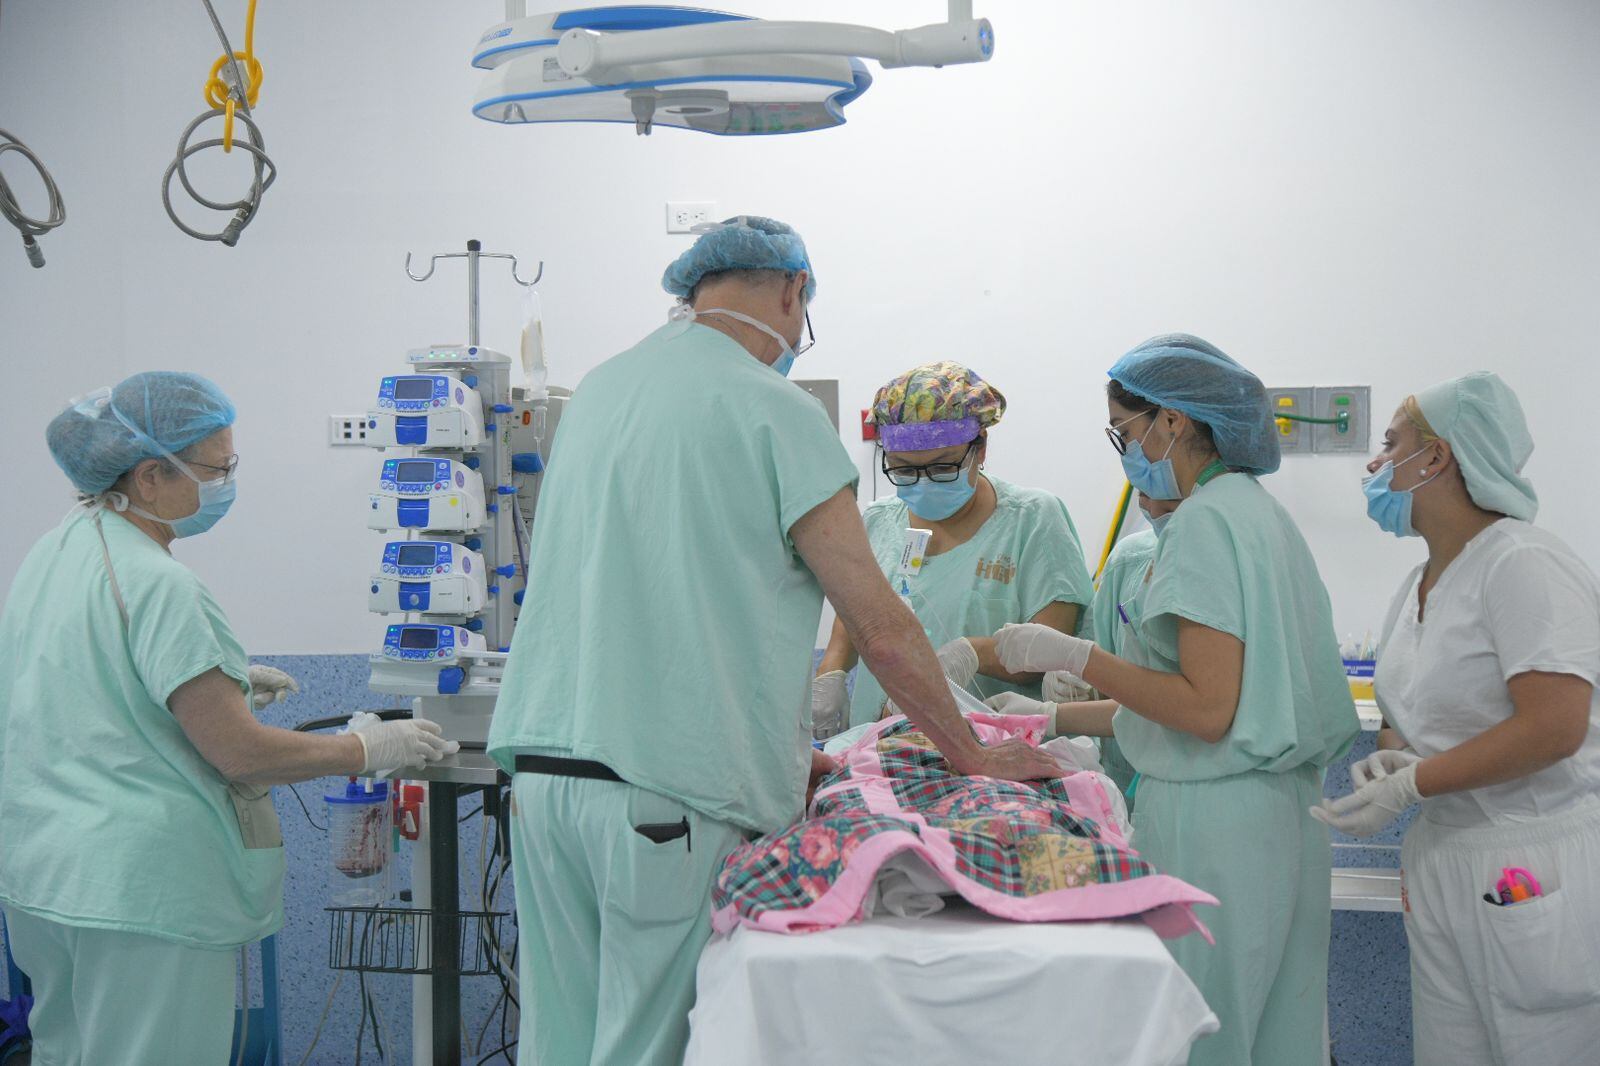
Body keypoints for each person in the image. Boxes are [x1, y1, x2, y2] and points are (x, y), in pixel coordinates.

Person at [486, 216, 1059, 1066]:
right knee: (649, 1048)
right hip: (662, 798)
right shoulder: (773, 408)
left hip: (542, 780)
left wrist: (772, 750)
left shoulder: (600, 391)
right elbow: (879, 628)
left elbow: (657, 600)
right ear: (793, 292)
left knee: (558, 1045)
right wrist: (972, 755)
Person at [0, 373, 456, 1065]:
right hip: (141, 895)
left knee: (69, 1051)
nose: (225, 483)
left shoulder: (58, 550)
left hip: (49, 877)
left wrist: (218, 677)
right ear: (151, 475)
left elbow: (84, 686)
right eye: (216, 469)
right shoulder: (162, 584)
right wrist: (367, 747)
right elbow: (241, 754)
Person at [988, 334, 1360, 1066]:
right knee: (1277, 1037)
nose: (1124, 451)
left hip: (1214, 822)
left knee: (1198, 1036)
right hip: (1283, 813)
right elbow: (1235, 697)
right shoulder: (1258, 514)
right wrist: (1053, 716)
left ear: (1172, 420)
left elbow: (1205, 710)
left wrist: (1076, 655)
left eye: (1123, 432)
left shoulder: (1201, 524)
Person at [1314, 373, 1600, 1064]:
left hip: (1528, 858)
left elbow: (1555, 726)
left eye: (1391, 444)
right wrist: (1395, 758)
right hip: (1442, 856)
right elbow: (1410, 719)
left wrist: (1415, 782)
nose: (1375, 463)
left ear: (1436, 457)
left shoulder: (1524, 564)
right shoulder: (1420, 584)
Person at [811, 361, 1095, 736]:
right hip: (881, 746)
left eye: (942, 468)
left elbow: (1052, 644)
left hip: (991, 742)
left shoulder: (1032, 520)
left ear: (981, 448)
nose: (923, 483)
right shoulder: (879, 522)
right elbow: (854, 617)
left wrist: (971, 654)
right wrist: (830, 673)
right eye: (905, 471)